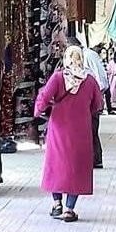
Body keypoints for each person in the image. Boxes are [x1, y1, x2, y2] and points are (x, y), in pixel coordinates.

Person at [34, 45, 104, 222]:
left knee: (56, 165)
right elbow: (98, 104)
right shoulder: (89, 81)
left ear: (66, 58)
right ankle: (69, 209)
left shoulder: (58, 78)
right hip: (81, 131)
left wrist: (39, 112)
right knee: (76, 168)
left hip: (58, 129)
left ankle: (57, 204)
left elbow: (43, 98)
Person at [68, 35, 109, 168]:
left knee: (92, 129)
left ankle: (96, 159)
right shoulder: (75, 63)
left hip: (91, 99)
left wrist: (96, 97)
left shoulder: (89, 56)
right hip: (84, 101)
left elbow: (101, 80)